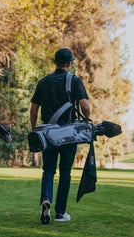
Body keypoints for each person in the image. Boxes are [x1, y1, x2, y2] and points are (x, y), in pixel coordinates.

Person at [30, 48, 91, 224]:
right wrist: (87, 122)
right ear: (70, 63)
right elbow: (85, 106)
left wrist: (35, 129)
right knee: (65, 172)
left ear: (54, 62)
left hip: (48, 134)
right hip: (68, 134)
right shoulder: (74, 81)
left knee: (48, 170)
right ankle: (60, 213)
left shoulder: (43, 82)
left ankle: (45, 199)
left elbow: (34, 109)